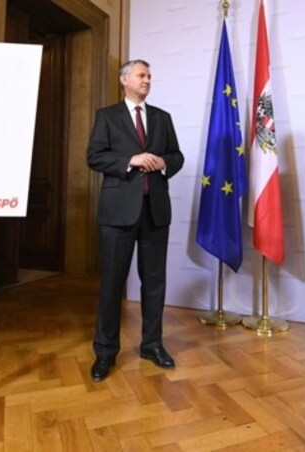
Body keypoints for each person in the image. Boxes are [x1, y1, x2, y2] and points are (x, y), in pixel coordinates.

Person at [86, 59, 185, 382]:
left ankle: (152, 345)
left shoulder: (162, 118)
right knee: (112, 284)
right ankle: (105, 352)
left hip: (155, 212)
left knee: (154, 283)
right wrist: (131, 160)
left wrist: (162, 163)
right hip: (117, 214)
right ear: (124, 79)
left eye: (149, 76)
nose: (147, 80)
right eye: (141, 75)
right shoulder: (107, 117)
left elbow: (177, 157)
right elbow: (94, 156)